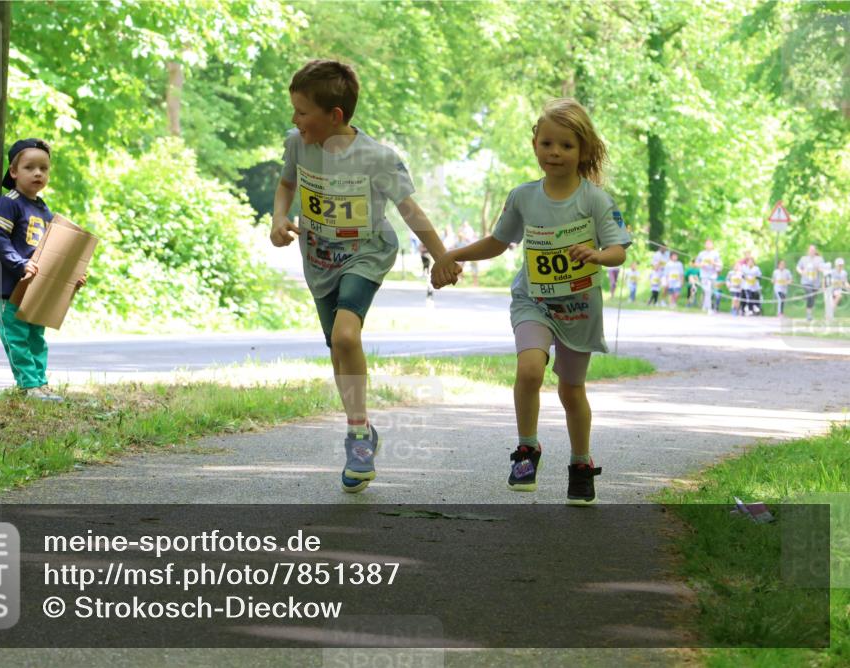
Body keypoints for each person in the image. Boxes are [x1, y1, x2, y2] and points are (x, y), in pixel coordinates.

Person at [270, 60, 460, 493]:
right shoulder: (298, 145)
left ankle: (357, 437)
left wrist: (442, 256)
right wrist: (279, 219)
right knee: (337, 350)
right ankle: (365, 427)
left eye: (302, 112)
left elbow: (410, 210)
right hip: (319, 260)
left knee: (346, 337)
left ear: (334, 116)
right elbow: (286, 185)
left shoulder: (377, 158)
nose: (294, 120)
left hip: (366, 253)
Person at [432, 97, 630, 505]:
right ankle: (527, 450)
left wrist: (596, 254)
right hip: (533, 301)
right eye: (547, 144)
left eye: (566, 146)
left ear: (584, 151)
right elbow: (497, 242)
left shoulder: (595, 200)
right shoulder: (523, 197)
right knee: (529, 371)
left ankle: (580, 463)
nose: (555, 153)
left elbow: (619, 250)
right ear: (535, 145)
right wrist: (454, 254)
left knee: (571, 390)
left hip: (578, 308)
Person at [0, 139, 85, 402]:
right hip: (8, 285)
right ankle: (28, 385)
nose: (38, 173)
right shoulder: (9, 202)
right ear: (14, 172)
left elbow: (54, 250)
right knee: (16, 336)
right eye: (30, 167)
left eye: (44, 168)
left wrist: (70, 276)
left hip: (35, 289)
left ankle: (40, 383)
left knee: (35, 337)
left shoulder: (43, 209)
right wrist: (19, 263)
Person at [694, 239, 722, 315]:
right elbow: (696, 264)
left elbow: (720, 265)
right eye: (707, 244)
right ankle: (709, 308)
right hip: (704, 275)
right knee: (707, 291)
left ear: (712, 245)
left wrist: (714, 263)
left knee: (711, 292)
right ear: (705, 245)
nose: (708, 245)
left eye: (710, 244)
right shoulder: (701, 254)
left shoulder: (716, 254)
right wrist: (701, 265)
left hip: (713, 275)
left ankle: (705, 306)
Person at [796, 245, 824, 321]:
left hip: (816, 283)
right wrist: (801, 272)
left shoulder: (819, 259)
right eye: (810, 250)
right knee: (810, 295)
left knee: (812, 299)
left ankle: (810, 313)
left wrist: (819, 268)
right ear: (808, 251)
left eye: (813, 250)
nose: (812, 252)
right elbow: (798, 267)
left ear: (815, 251)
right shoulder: (803, 259)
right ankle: (808, 315)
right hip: (806, 282)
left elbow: (823, 269)